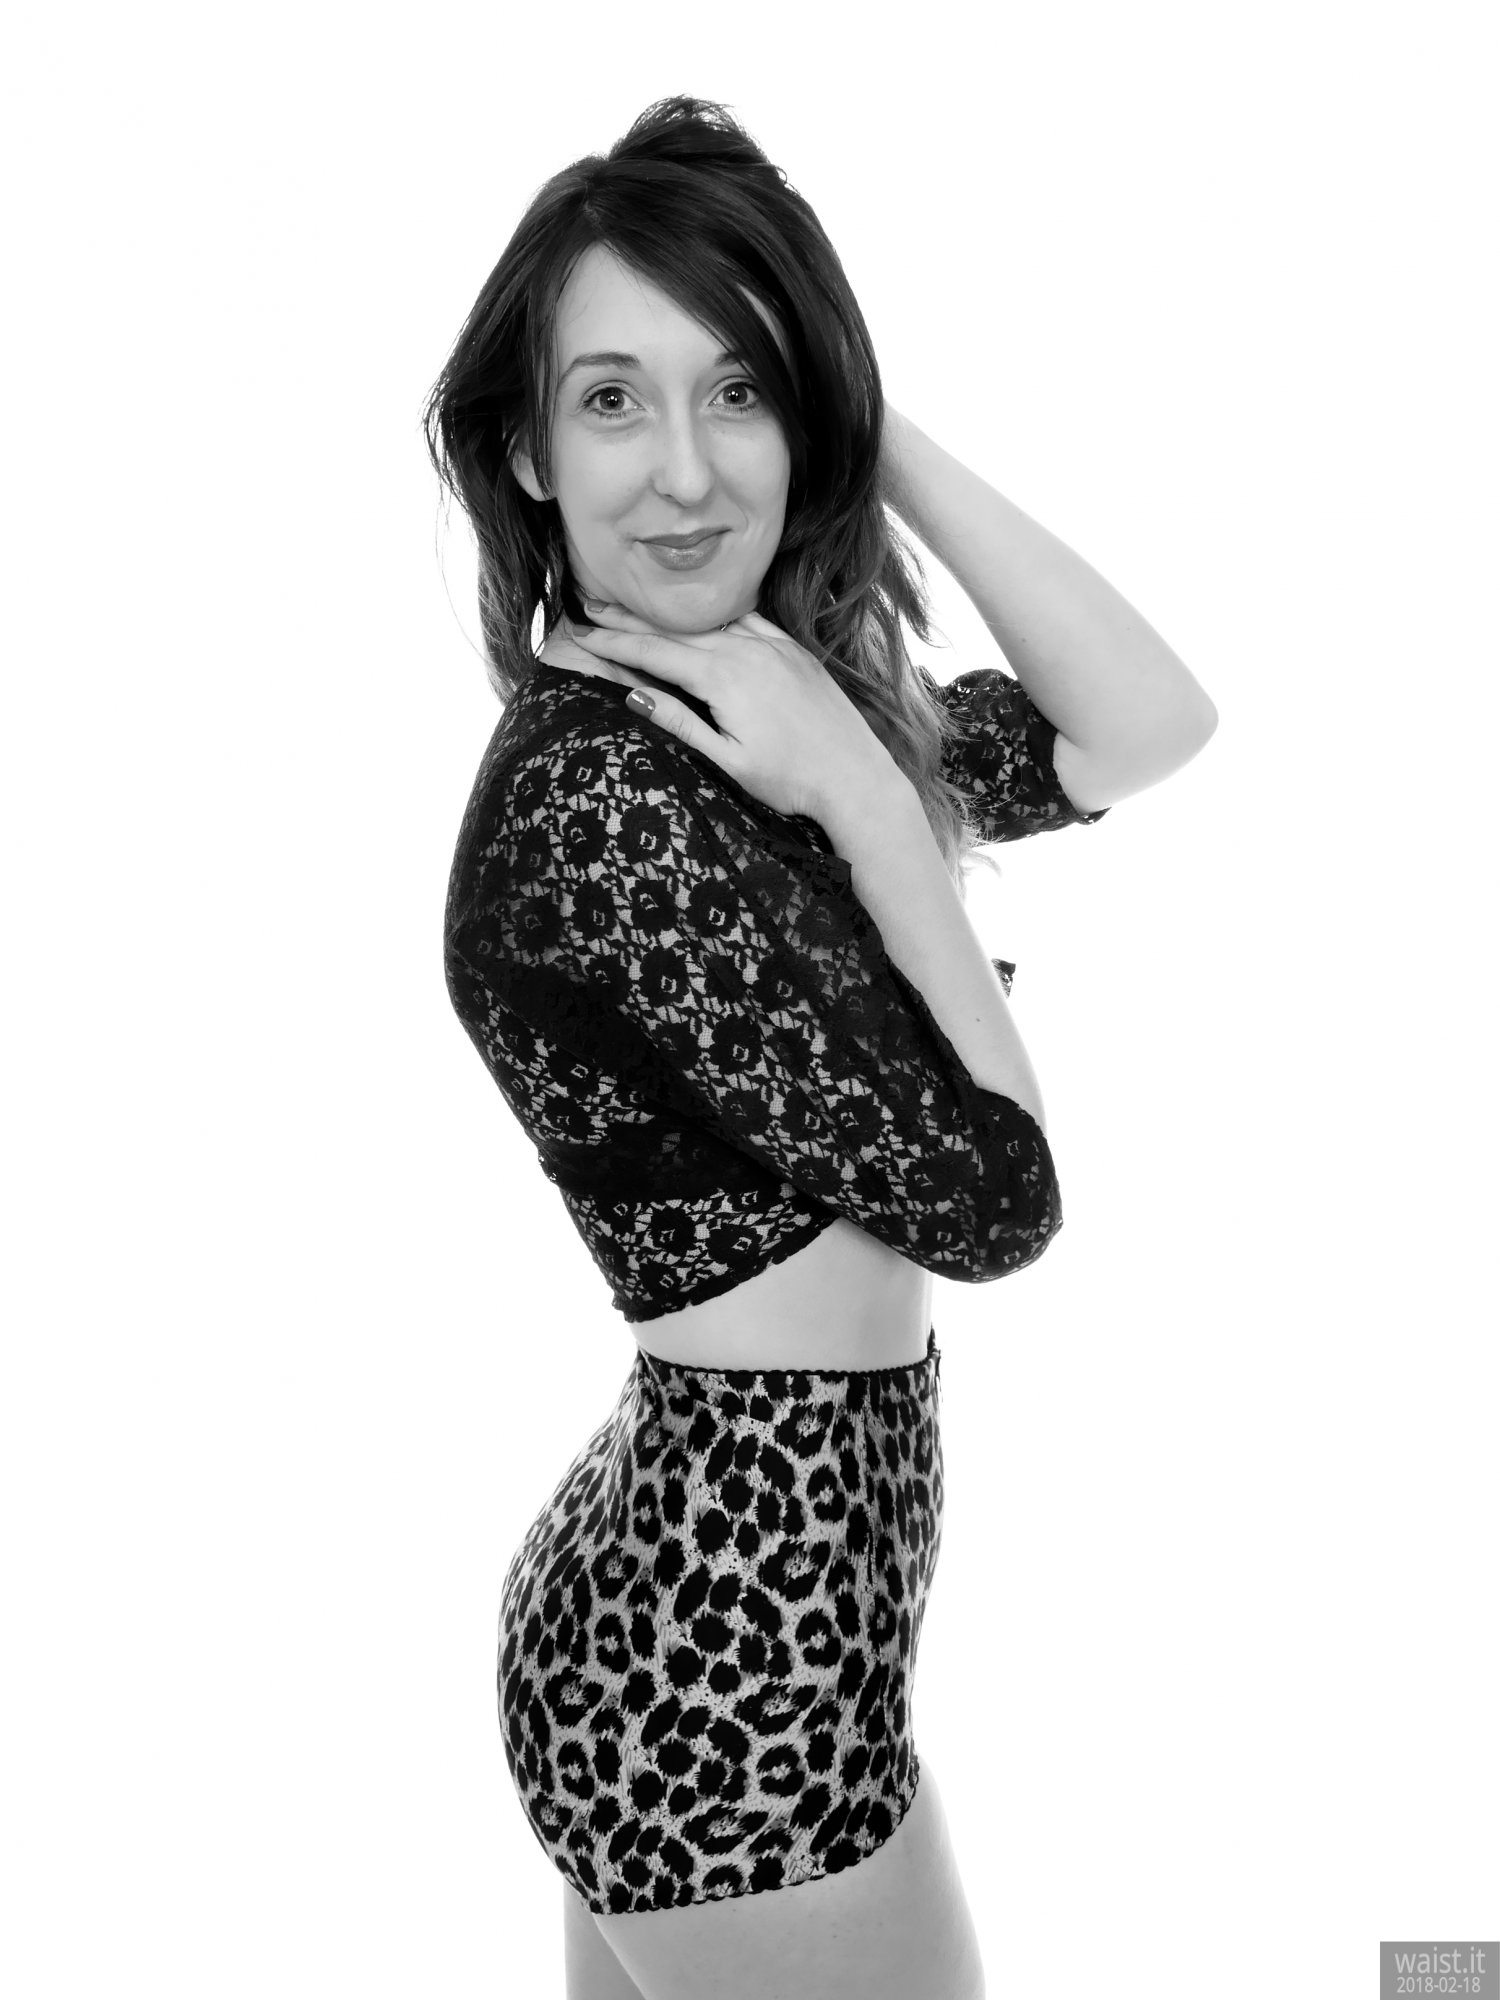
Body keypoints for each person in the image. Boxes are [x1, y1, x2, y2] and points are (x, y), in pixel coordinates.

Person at [423, 94, 1216, 2000]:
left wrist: (867, 413)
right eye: (612, 401)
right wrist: (870, 802)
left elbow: (1145, 723)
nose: (687, 471)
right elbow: (1001, 1201)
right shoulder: (605, 804)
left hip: (731, 1630)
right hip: (726, 1693)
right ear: (528, 447)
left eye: (743, 391)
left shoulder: (743, 715)